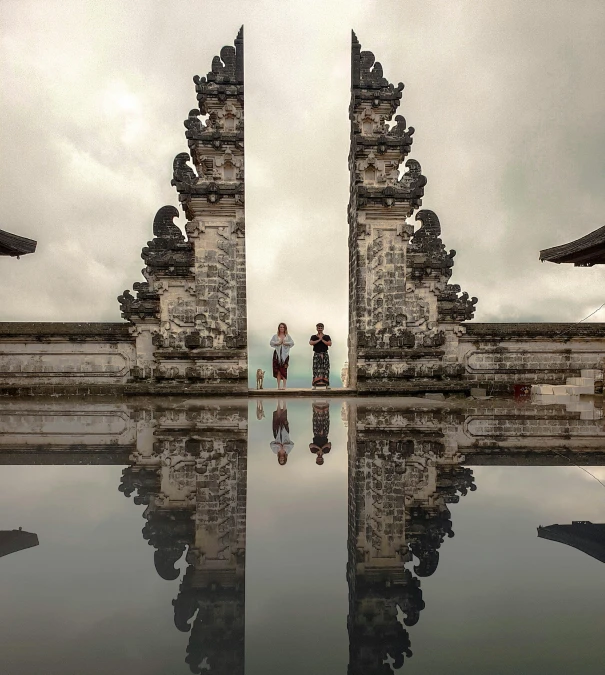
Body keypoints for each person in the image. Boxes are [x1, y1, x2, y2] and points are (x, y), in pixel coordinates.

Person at [270, 322, 294, 390]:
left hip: (285, 355)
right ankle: (278, 386)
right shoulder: (275, 336)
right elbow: (271, 343)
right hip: (277, 354)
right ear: (279, 328)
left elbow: (292, 343)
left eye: (283, 327)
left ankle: (284, 386)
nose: (282, 328)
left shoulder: (287, 336)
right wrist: (278, 343)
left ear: (285, 328)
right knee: (277, 370)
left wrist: (285, 343)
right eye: (280, 327)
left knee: (284, 369)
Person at [270, 400, 294, 465]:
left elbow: (271, 444)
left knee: (277, 416)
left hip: (277, 432)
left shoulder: (275, 451)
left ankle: (278, 402)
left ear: (279, 459)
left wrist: (279, 445)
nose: (281, 459)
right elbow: (292, 444)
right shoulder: (287, 451)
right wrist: (285, 445)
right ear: (285, 459)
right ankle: (284, 401)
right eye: (283, 460)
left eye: (280, 460)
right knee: (284, 416)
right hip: (285, 432)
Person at [309, 323, 332, 388]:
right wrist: (319, 340)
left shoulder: (326, 336)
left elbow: (329, 343)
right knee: (316, 369)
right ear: (316, 328)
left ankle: (327, 385)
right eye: (318, 328)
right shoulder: (314, 336)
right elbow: (311, 343)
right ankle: (315, 385)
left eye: (321, 328)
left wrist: (322, 340)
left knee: (325, 369)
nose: (320, 329)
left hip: (325, 354)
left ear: (323, 328)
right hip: (317, 354)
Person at [309, 401, 331, 465]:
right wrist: (322, 449)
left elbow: (310, 445)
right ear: (322, 459)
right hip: (325, 434)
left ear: (316, 459)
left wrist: (318, 449)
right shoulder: (326, 451)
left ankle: (315, 404)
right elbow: (329, 444)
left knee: (316, 419)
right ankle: (326, 404)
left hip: (316, 434)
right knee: (325, 419)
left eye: (318, 459)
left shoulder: (313, 451)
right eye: (321, 459)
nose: (319, 458)